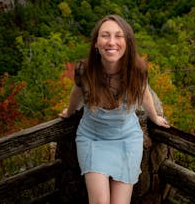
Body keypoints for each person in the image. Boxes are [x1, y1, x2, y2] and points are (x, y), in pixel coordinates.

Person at [60, 14, 170, 204]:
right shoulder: (84, 71)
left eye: (118, 36)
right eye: (105, 35)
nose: (112, 42)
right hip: (92, 138)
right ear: (96, 43)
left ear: (127, 42)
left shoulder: (137, 70)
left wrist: (154, 117)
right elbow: (76, 93)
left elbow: (144, 94)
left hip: (126, 138)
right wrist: (69, 112)